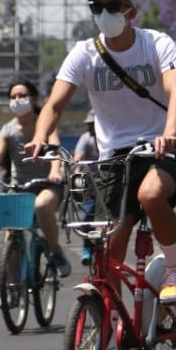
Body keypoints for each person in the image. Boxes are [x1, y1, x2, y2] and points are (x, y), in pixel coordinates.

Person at [26, 0, 176, 304]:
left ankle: (175, 268)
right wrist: (41, 135)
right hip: (113, 158)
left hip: (158, 149)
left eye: (112, 5)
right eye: (96, 7)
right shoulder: (84, 53)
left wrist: (169, 133)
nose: (104, 13)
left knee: (151, 195)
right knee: (108, 249)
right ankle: (109, 329)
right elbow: (55, 103)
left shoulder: (157, 43)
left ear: (131, 11)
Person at [0, 81, 71, 277]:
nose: (17, 100)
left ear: (34, 99)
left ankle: (56, 251)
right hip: (19, 187)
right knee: (10, 235)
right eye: (13, 97)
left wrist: (55, 171)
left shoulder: (45, 124)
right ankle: (12, 286)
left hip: (48, 184)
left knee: (42, 205)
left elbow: (56, 151)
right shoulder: (7, 130)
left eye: (22, 96)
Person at [73, 109, 100, 265]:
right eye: (89, 124)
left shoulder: (110, 137)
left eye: (93, 124)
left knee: (111, 218)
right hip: (91, 183)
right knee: (88, 215)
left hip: (110, 180)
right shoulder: (86, 138)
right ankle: (87, 249)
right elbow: (79, 156)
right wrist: (77, 170)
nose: (91, 128)